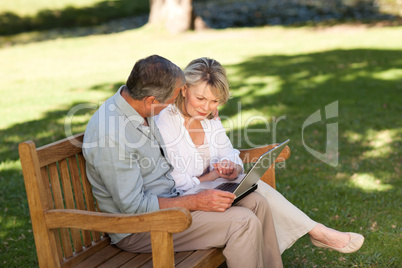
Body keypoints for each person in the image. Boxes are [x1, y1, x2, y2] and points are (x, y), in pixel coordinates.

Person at [82, 55, 283, 268]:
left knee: (256, 203)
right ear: (151, 101)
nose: (175, 103)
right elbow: (133, 207)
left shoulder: (135, 101)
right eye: (173, 98)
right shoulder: (111, 136)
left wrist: (206, 106)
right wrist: (195, 202)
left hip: (172, 200)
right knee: (243, 222)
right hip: (140, 227)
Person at [155, 57, 365, 254]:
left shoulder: (209, 118)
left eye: (214, 101)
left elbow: (231, 155)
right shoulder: (165, 122)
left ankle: (312, 234)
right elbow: (178, 184)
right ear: (183, 90)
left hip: (215, 191)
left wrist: (231, 168)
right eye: (200, 98)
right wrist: (213, 177)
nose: (206, 107)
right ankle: (317, 232)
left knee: (256, 195)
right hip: (188, 203)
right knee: (257, 196)